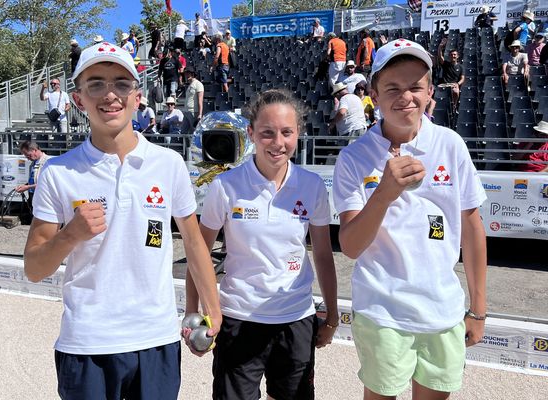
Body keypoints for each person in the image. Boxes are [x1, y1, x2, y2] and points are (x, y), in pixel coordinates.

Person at [23, 41, 221, 400]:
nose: (109, 94)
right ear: (78, 98)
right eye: (95, 83)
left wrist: (214, 309)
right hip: (86, 343)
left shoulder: (168, 163)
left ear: (136, 96)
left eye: (121, 83)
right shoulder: (58, 172)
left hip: (156, 340)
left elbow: (194, 243)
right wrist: (70, 236)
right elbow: (34, 268)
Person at [333, 38, 487, 400]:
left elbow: (472, 228)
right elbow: (352, 246)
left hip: (442, 311)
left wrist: (478, 308)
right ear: (374, 92)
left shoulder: (450, 144)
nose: (406, 97)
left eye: (416, 87)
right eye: (392, 88)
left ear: (430, 90)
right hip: (382, 311)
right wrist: (385, 192)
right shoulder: (354, 159)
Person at [185, 89, 339, 400]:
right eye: (267, 133)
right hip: (239, 319)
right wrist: (192, 313)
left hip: (296, 319)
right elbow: (197, 254)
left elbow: (322, 255)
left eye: (287, 132)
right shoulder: (225, 186)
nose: (278, 143)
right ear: (251, 133)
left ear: (298, 134)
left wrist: (333, 314)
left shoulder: (311, 186)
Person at [15, 141, 48, 209]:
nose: (28, 158)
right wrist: (25, 186)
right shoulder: (33, 163)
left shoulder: (48, 162)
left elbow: (47, 184)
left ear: (34, 150)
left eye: (28, 155)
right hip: (33, 195)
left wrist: (28, 187)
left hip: (43, 197)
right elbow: (34, 180)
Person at [437, 40, 465, 109]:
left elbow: (462, 78)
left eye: (454, 55)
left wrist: (458, 84)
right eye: (451, 55)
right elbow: (440, 56)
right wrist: (440, 47)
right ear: (449, 56)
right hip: (444, 84)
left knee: (456, 91)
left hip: (453, 85)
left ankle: (454, 106)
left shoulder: (461, 67)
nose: (453, 56)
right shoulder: (446, 64)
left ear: (457, 56)